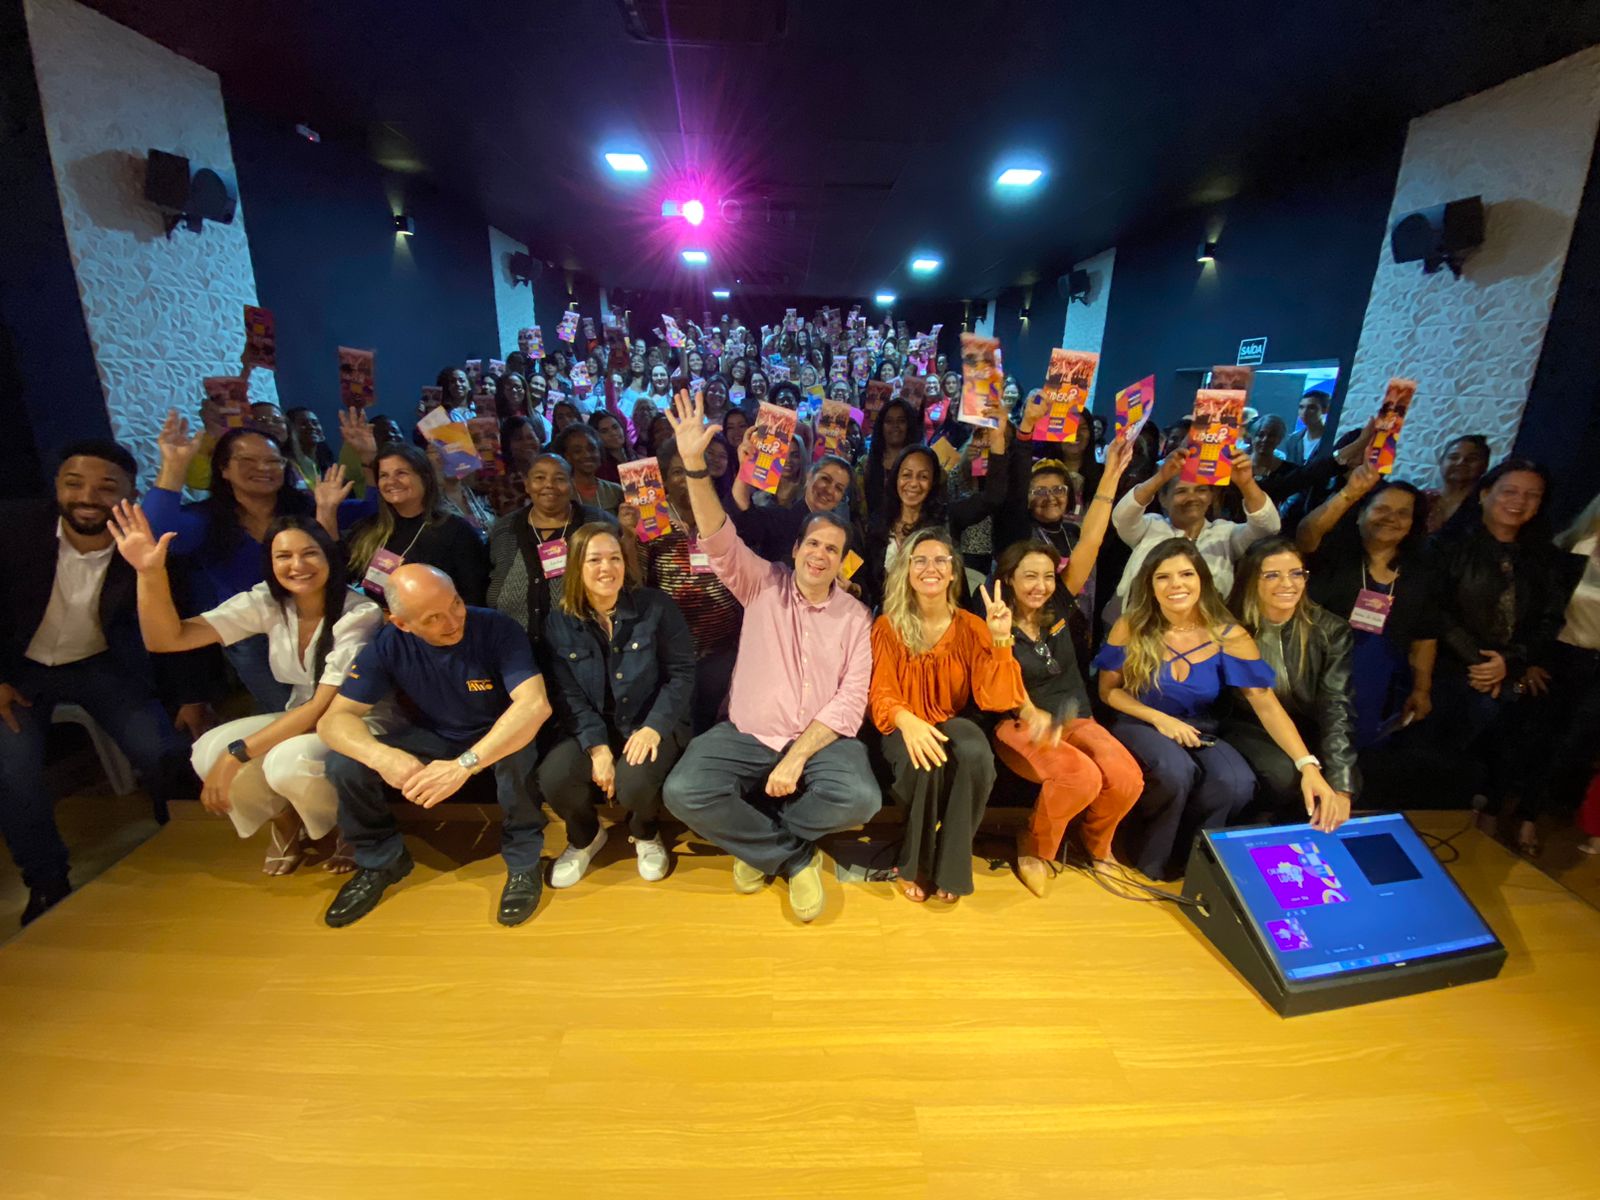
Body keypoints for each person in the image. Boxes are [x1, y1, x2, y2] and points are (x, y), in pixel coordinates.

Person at [660, 391, 879, 924]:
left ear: (841, 559)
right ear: (796, 548)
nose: (820, 554)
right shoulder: (760, 584)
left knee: (859, 798)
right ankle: (794, 857)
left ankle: (760, 842)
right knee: (684, 791)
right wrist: (695, 466)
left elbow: (852, 701)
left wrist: (799, 755)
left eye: (832, 548)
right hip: (749, 732)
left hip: (819, 739)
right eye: (813, 545)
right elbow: (717, 535)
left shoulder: (856, 617)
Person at [109, 504, 382, 875]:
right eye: (283, 556)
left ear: (330, 556)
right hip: (300, 712)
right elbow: (166, 639)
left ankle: (348, 827)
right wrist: (149, 573)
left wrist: (236, 755)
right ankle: (285, 821)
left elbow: (323, 706)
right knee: (207, 749)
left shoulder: (359, 613)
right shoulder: (268, 602)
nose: (297, 565)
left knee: (288, 762)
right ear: (270, 563)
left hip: (351, 717)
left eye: (309, 553)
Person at [0, 442, 207, 925]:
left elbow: (181, 622)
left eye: (106, 486)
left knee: (162, 750)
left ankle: (182, 840)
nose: (88, 496)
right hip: (19, 672)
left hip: (103, 665)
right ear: (57, 486)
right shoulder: (13, 530)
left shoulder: (148, 543)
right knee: (14, 775)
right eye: (74, 483)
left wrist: (191, 695)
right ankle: (47, 883)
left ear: (130, 495)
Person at [316, 564, 553, 927]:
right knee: (343, 763)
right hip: (437, 736)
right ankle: (381, 860)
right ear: (402, 623)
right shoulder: (389, 644)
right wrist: (383, 757)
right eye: (433, 618)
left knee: (516, 749)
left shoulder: (496, 627)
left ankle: (523, 859)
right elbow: (334, 720)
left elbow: (534, 705)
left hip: (496, 734)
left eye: (456, 604)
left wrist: (464, 765)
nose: (453, 621)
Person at [1095, 540, 1340, 880]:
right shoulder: (1132, 625)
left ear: (1202, 580)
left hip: (1200, 727)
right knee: (1174, 771)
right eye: (1163, 577)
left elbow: (1265, 704)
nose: (1176, 584)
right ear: (1150, 584)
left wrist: (1307, 765)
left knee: (1236, 782)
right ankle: (1149, 860)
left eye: (1186, 574)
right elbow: (1109, 692)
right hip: (1141, 719)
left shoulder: (1228, 634)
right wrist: (1159, 719)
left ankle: (1193, 862)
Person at [990, 443, 1144, 895]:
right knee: (1081, 776)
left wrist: (1112, 474)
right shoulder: (994, 619)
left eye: (1046, 576)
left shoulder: (1058, 603)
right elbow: (995, 688)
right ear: (1009, 579)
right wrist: (1029, 709)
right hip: (1017, 723)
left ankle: (1096, 845)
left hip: (1074, 716)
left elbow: (1092, 539)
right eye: (1028, 577)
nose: (1039, 585)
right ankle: (1036, 846)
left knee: (1126, 778)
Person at [146, 414, 372, 709]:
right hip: (249, 628)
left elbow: (374, 510)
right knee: (289, 710)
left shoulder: (305, 506)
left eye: (273, 460)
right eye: (247, 460)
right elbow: (154, 535)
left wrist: (368, 458)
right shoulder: (207, 518)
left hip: (316, 616)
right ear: (224, 469)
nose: (263, 468)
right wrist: (175, 466)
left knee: (336, 703)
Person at [869, 529, 1027, 902]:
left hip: (948, 719)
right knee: (928, 763)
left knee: (975, 753)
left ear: (954, 572)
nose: (931, 568)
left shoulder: (973, 626)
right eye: (920, 560)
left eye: (941, 560)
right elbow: (882, 694)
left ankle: (951, 867)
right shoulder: (888, 626)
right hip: (901, 723)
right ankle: (915, 863)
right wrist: (908, 723)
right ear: (907, 571)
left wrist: (1002, 639)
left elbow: (997, 698)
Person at [539, 524, 696, 887]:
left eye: (614, 558)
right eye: (594, 560)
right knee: (554, 776)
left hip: (651, 720)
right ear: (577, 566)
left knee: (634, 781)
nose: (606, 568)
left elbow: (682, 674)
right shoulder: (558, 621)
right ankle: (585, 836)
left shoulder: (655, 607)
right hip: (590, 723)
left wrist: (654, 727)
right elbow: (566, 694)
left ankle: (645, 831)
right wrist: (597, 748)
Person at [1427, 459, 1570, 853]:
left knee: (1535, 716)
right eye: (1510, 491)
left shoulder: (1545, 558)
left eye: (1532, 495)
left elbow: (1549, 620)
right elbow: (1435, 611)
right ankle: (1448, 815)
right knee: (1469, 721)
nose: (1519, 501)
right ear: (1486, 493)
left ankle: (1488, 812)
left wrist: (1511, 661)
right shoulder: (1448, 545)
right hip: (1451, 665)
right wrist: (1481, 663)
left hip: (1514, 665)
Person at [1297, 466, 1437, 748]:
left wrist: (1422, 689)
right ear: (1361, 514)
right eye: (1381, 509)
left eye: (1402, 513)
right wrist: (1349, 493)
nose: (1391, 519)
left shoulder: (1421, 573)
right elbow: (1306, 534)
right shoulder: (1332, 555)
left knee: (1351, 751)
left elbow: (1425, 636)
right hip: (1313, 672)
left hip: (1373, 681)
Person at [1224, 538, 1358, 825]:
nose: (1288, 583)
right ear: (1251, 580)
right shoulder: (1231, 625)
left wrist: (1342, 786)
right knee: (1283, 774)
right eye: (1272, 575)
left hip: (1304, 725)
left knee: (1344, 778)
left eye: (1296, 573)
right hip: (1245, 723)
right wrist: (1306, 764)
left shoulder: (1331, 630)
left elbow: (1336, 707)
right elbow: (1259, 703)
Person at [625, 435, 744, 732]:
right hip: (675, 647)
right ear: (663, 479)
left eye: (692, 470)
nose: (687, 479)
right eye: (678, 472)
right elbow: (635, 581)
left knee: (716, 717)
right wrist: (628, 535)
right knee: (683, 721)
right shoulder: (651, 520)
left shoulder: (720, 512)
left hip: (724, 645)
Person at [1110, 445, 1278, 610]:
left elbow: (1268, 528)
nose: (1192, 498)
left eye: (1201, 490)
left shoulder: (1225, 534)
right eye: (1181, 491)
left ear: (1211, 496)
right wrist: (1160, 477)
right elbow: (1122, 517)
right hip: (1142, 629)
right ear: (1163, 499)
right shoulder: (1150, 527)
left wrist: (1246, 483)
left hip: (1206, 632)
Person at [487, 453, 614, 665]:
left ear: (571, 485)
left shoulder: (596, 522)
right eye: (539, 478)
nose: (549, 485)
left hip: (582, 654)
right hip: (515, 653)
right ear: (527, 485)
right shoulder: (505, 528)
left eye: (559, 478)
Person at [346, 444, 490, 606]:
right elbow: (341, 575)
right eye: (384, 475)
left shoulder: (456, 530)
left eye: (401, 473)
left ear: (425, 477)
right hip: (383, 627)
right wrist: (326, 510)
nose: (391, 481)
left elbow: (475, 597)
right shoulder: (369, 528)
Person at [1424, 434, 1491, 534]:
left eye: (1472, 459)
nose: (1461, 462)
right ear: (1441, 462)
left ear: (1485, 466)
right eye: (1454, 457)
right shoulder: (1422, 499)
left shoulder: (1487, 507)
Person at [555, 423, 623, 515]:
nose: (587, 455)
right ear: (567, 456)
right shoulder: (560, 493)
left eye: (592, 449)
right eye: (577, 451)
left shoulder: (615, 491)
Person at [1280, 390, 1330, 465]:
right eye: (1301, 407)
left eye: (1312, 408)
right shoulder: (1293, 440)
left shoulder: (1332, 439)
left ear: (1325, 410)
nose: (1304, 412)